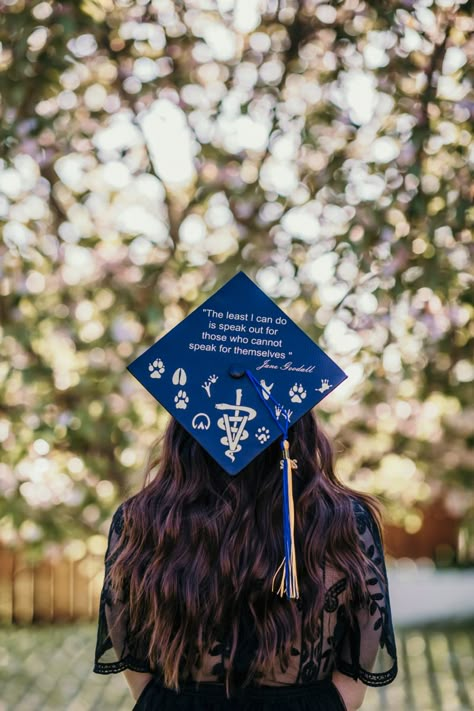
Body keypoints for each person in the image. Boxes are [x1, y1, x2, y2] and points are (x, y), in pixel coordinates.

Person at [93, 273, 398, 710]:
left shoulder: (142, 518)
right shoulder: (344, 520)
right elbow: (358, 665)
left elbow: (130, 653)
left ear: (184, 428)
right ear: (298, 423)